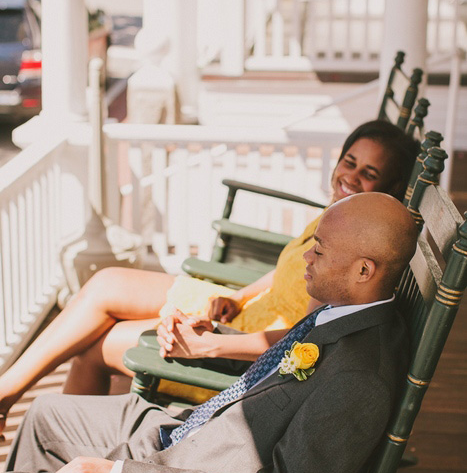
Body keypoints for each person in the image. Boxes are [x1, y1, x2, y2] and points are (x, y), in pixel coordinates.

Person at [0, 193, 419, 473]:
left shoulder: (359, 377)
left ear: (364, 270)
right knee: (44, 413)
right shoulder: (348, 313)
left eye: (320, 251)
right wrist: (209, 339)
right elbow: (273, 370)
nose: (306, 257)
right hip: (192, 438)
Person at [0, 121, 419, 433]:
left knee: (96, 346)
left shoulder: (350, 255)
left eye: (369, 173)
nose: (352, 176)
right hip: (244, 313)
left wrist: (211, 343)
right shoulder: (339, 217)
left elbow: (300, 337)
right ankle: (7, 391)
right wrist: (238, 296)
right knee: (108, 283)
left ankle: (56, 457)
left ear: (388, 188)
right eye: (350, 161)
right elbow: (285, 270)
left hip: (249, 351)